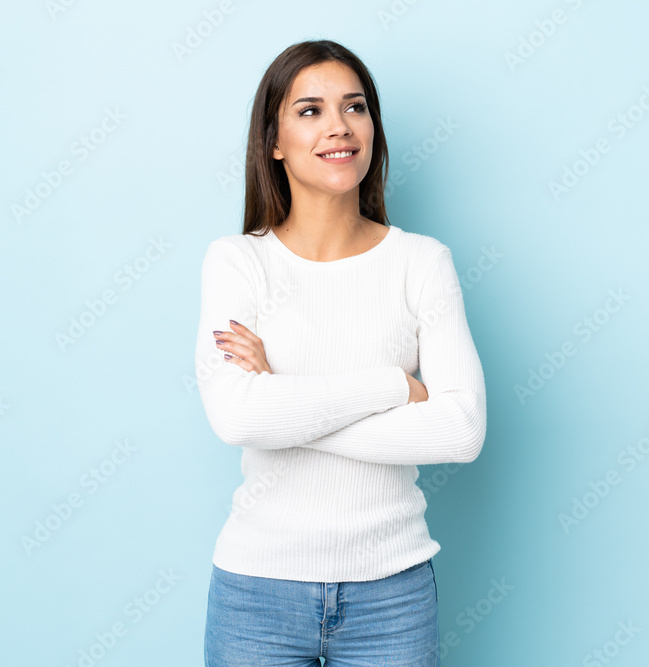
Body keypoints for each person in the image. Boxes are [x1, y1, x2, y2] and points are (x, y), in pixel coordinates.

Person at [196, 38, 487, 666]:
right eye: (310, 110)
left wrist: (284, 402)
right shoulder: (238, 262)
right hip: (257, 595)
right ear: (272, 141)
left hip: (393, 596)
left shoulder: (420, 263)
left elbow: (461, 432)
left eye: (354, 107)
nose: (339, 126)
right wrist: (391, 387)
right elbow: (239, 419)